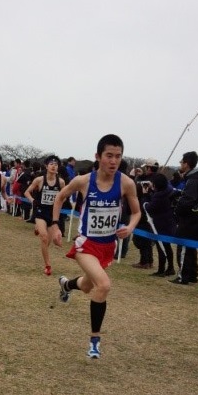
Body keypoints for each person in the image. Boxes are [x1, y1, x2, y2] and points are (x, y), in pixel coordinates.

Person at [51, 134, 141, 359]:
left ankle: (66, 285)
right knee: (104, 285)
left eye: (118, 156)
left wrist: (129, 227)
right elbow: (60, 197)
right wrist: (55, 225)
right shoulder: (84, 181)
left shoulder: (126, 183)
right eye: (109, 156)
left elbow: (137, 212)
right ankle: (94, 340)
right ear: (98, 156)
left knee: (89, 286)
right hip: (86, 245)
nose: (113, 161)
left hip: (107, 247)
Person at [24, 155, 65, 276]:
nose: (53, 166)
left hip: (53, 214)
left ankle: (38, 228)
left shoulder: (61, 182)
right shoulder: (39, 180)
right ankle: (47, 265)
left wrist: (59, 206)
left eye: (56, 164)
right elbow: (26, 192)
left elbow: (63, 197)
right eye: (51, 164)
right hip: (40, 212)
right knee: (44, 237)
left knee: (51, 241)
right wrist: (32, 201)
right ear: (46, 166)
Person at [169, 151, 198, 285]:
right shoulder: (193, 178)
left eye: (181, 162)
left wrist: (177, 210)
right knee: (190, 247)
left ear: (186, 164)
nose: (180, 164)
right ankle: (192, 275)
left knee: (184, 247)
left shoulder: (193, 180)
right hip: (193, 219)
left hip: (189, 220)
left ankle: (184, 276)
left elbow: (189, 200)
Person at [143, 173, 176, 277]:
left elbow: (148, 207)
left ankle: (161, 269)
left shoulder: (158, 196)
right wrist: (152, 191)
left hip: (160, 225)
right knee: (167, 246)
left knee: (161, 247)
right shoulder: (169, 190)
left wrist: (145, 195)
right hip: (168, 222)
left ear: (156, 185)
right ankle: (170, 268)